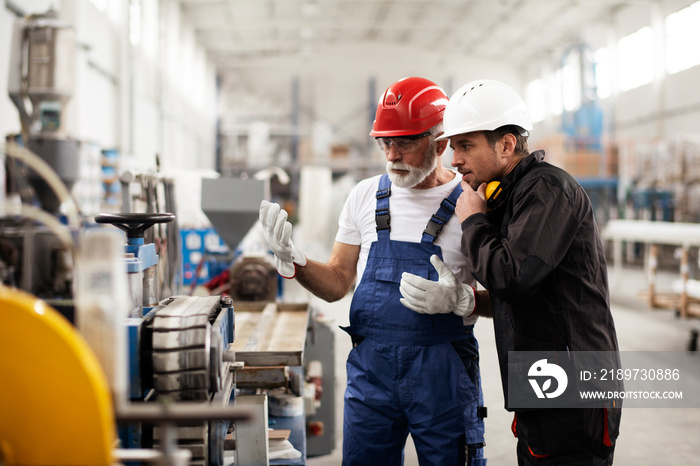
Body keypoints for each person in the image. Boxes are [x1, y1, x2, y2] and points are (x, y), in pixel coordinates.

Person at [259, 77, 487, 466]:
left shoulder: (472, 202)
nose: (392, 154)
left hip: (443, 374)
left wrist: (465, 300)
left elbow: (512, 292)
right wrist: (296, 263)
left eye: (405, 142)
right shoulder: (365, 196)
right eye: (385, 142)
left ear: (441, 142)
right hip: (372, 374)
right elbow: (336, 283)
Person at [408, 78, 621, 465]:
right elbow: (531, 291)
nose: (454, 160)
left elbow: (514, 277)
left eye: (465, 145)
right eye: (453, 147)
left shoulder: (547, 190)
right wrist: (468, 300)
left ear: (506, 144)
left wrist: (473, 221)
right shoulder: (510, 195)